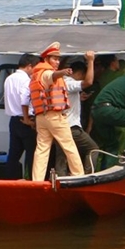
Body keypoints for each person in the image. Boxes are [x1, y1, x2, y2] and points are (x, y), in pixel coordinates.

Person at [30, 42, 85, 181]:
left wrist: (60, 71)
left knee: (42, 149)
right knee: (69, 145)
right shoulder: (47, 73)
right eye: (54, 58)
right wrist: (63, 72)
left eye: (58, 59)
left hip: (41, 117)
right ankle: (79, 175)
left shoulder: (37, 74)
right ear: (46, 59)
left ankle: (37, 180)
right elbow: (53, 76)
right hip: (54, 117)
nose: (57, 61)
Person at [56, 52, 101, 174]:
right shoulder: (70, 82)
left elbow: (65, 98)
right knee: (93, 148)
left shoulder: (58, 81)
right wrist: (91, 61)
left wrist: (78, 98)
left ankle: (60, 180)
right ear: (80, 73)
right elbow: (88, 82)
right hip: (72, 127)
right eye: (82, 75)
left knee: (62, 154)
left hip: (58, 126)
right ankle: (88, 176)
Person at [4, 53, 40, 179]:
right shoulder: (26, 80)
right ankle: (31, 179)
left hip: (13, 120)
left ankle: (10, 180)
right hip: (26, 120)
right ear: (30, 66)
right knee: (31, 153)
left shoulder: (9, 78)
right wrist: (27, 119)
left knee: (14, 153)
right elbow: (24, 100)